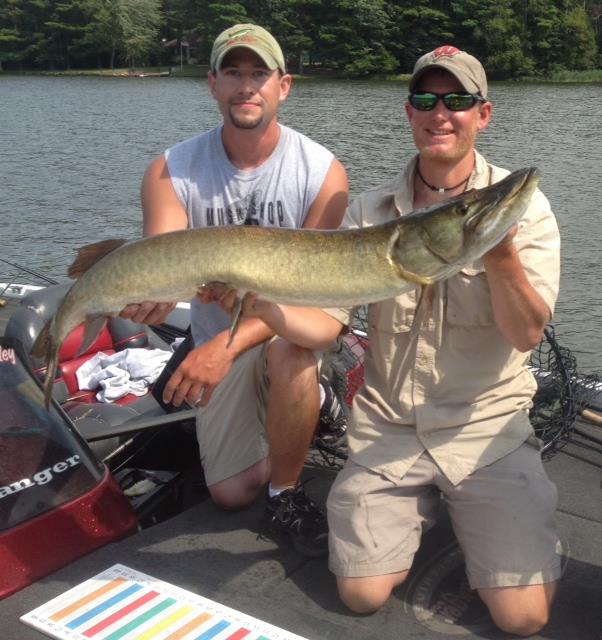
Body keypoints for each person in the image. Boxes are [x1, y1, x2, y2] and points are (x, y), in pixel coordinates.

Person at [227, 45, 562, 636]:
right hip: (390, 429)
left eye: (457, 100)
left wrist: (497, 248)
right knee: (360, 595)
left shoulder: (524, 213)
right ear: (409, 113)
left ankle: (495, 519)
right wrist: (259, 303)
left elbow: (525, 332)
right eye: (426, 100)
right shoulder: (370, 214)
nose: (441, 113)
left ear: (482, 114)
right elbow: (325, 326)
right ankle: (436, 511)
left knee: (524, 618)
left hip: (485, 429)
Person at [120, 23, 349, 557]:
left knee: (292, 351)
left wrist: (219, 350)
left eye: (259, 74)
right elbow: (165, 264)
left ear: (283, 86)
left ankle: (288, 487)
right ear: (213, 85)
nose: (247, 85)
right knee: (228, 492)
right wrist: (149, 295)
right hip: (214, 341)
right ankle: (295, 420)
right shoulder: (170, 170)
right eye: (234, 73)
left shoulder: (323, 173)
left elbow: (313, 301)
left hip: (281, 332)